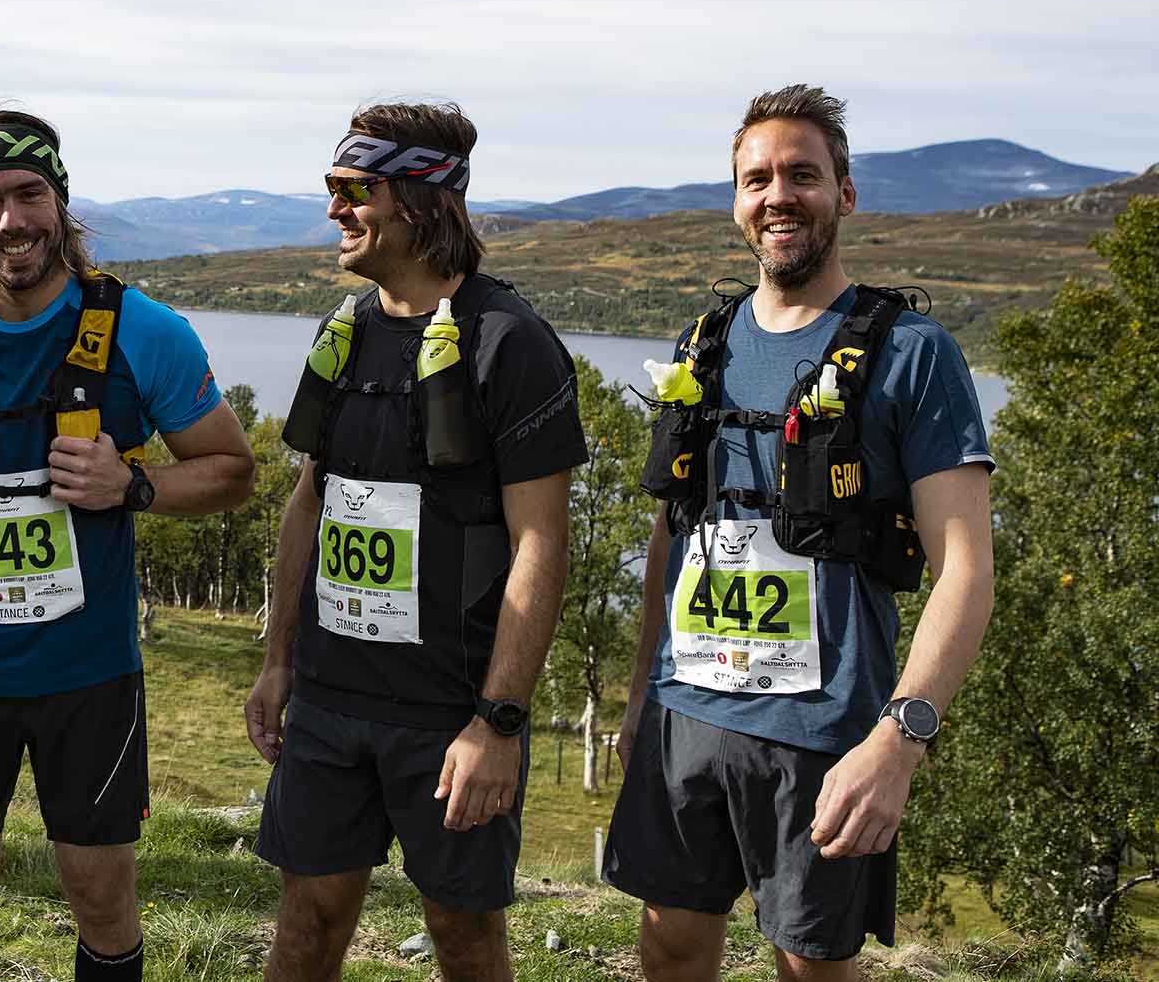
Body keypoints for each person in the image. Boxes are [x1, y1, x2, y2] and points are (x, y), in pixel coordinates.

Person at [0, 109, 254, 982]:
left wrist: (133, 484)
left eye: (29, 194)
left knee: (101, 893)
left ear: (61, 202)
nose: (11, 219)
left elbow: (231, 469)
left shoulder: (145, 332)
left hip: (89, 675)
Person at [605, 86, 996, 979]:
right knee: (668, 949)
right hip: (685, 712)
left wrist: (899, 740)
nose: (778, 195)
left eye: (802, 175)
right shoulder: (702, 342)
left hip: (825, 735)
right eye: (757, 179)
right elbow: (674, 533)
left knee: (811, 965)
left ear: (844, 194)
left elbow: (966, 570)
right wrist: (639, 699)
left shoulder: (913, 352)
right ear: (736, 201)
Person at [246, 101, 586, 982]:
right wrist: (279, 661)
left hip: (449, 712)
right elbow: (310, 502)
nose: (335, 208)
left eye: (354, 188)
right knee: (306, 923)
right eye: (334, 186)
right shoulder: (345, 332)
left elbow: (542, 544)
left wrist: (499, 721)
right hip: (330, 700)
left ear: (423, 199)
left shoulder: (510, 344)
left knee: (462, 936)